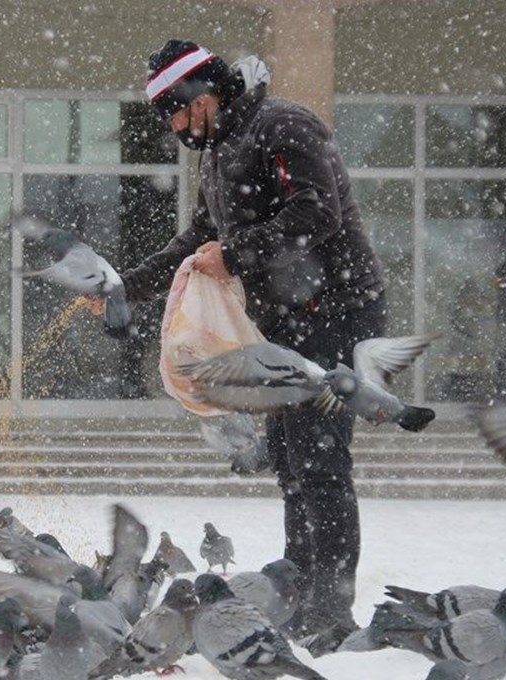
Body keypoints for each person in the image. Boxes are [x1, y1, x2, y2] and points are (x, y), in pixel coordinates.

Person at [115, 39, 388, 655]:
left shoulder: (281, 126)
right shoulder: (219, 155)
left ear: (204, 92)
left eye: (180, 112)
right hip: (284, 327)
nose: (178, 128)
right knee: (292, 466)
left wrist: (235, 253)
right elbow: (197, 240)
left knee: (320, 466)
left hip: (334, 312)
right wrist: (123, 286)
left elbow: (315, 211)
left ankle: (330, 610)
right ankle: (298, 593)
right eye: (170, 120)